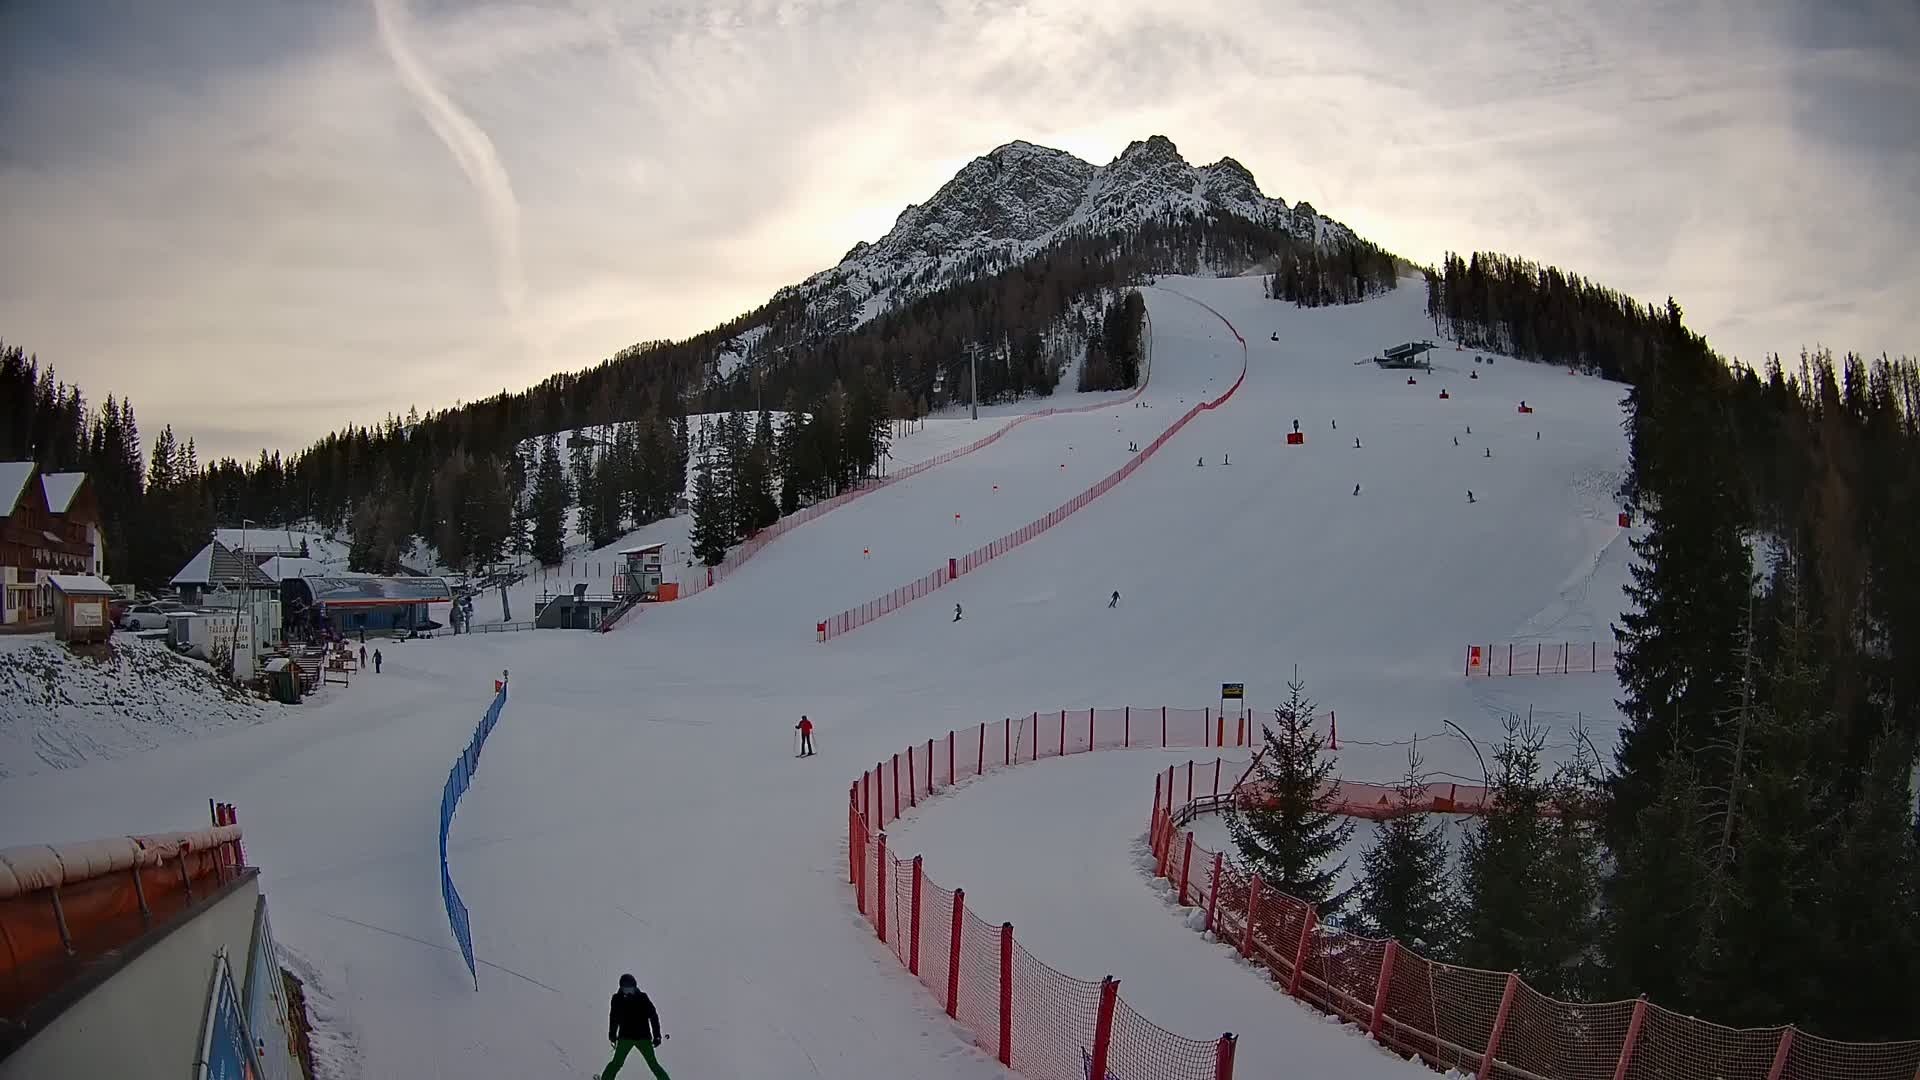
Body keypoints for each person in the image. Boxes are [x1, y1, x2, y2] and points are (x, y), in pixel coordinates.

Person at [599, 973, 670, 1080]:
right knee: (617, 1063)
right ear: (621, 988)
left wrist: (657, 1036)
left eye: (631, 989)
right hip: (625, 1037)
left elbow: (653, 1017)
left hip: (643, 1037)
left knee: (653, 1064)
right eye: (626, 989)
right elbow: (613, 1018)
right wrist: (612, 1034)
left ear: (635, 987)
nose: (629, 992)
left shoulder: (642, 998)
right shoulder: (617, 999)